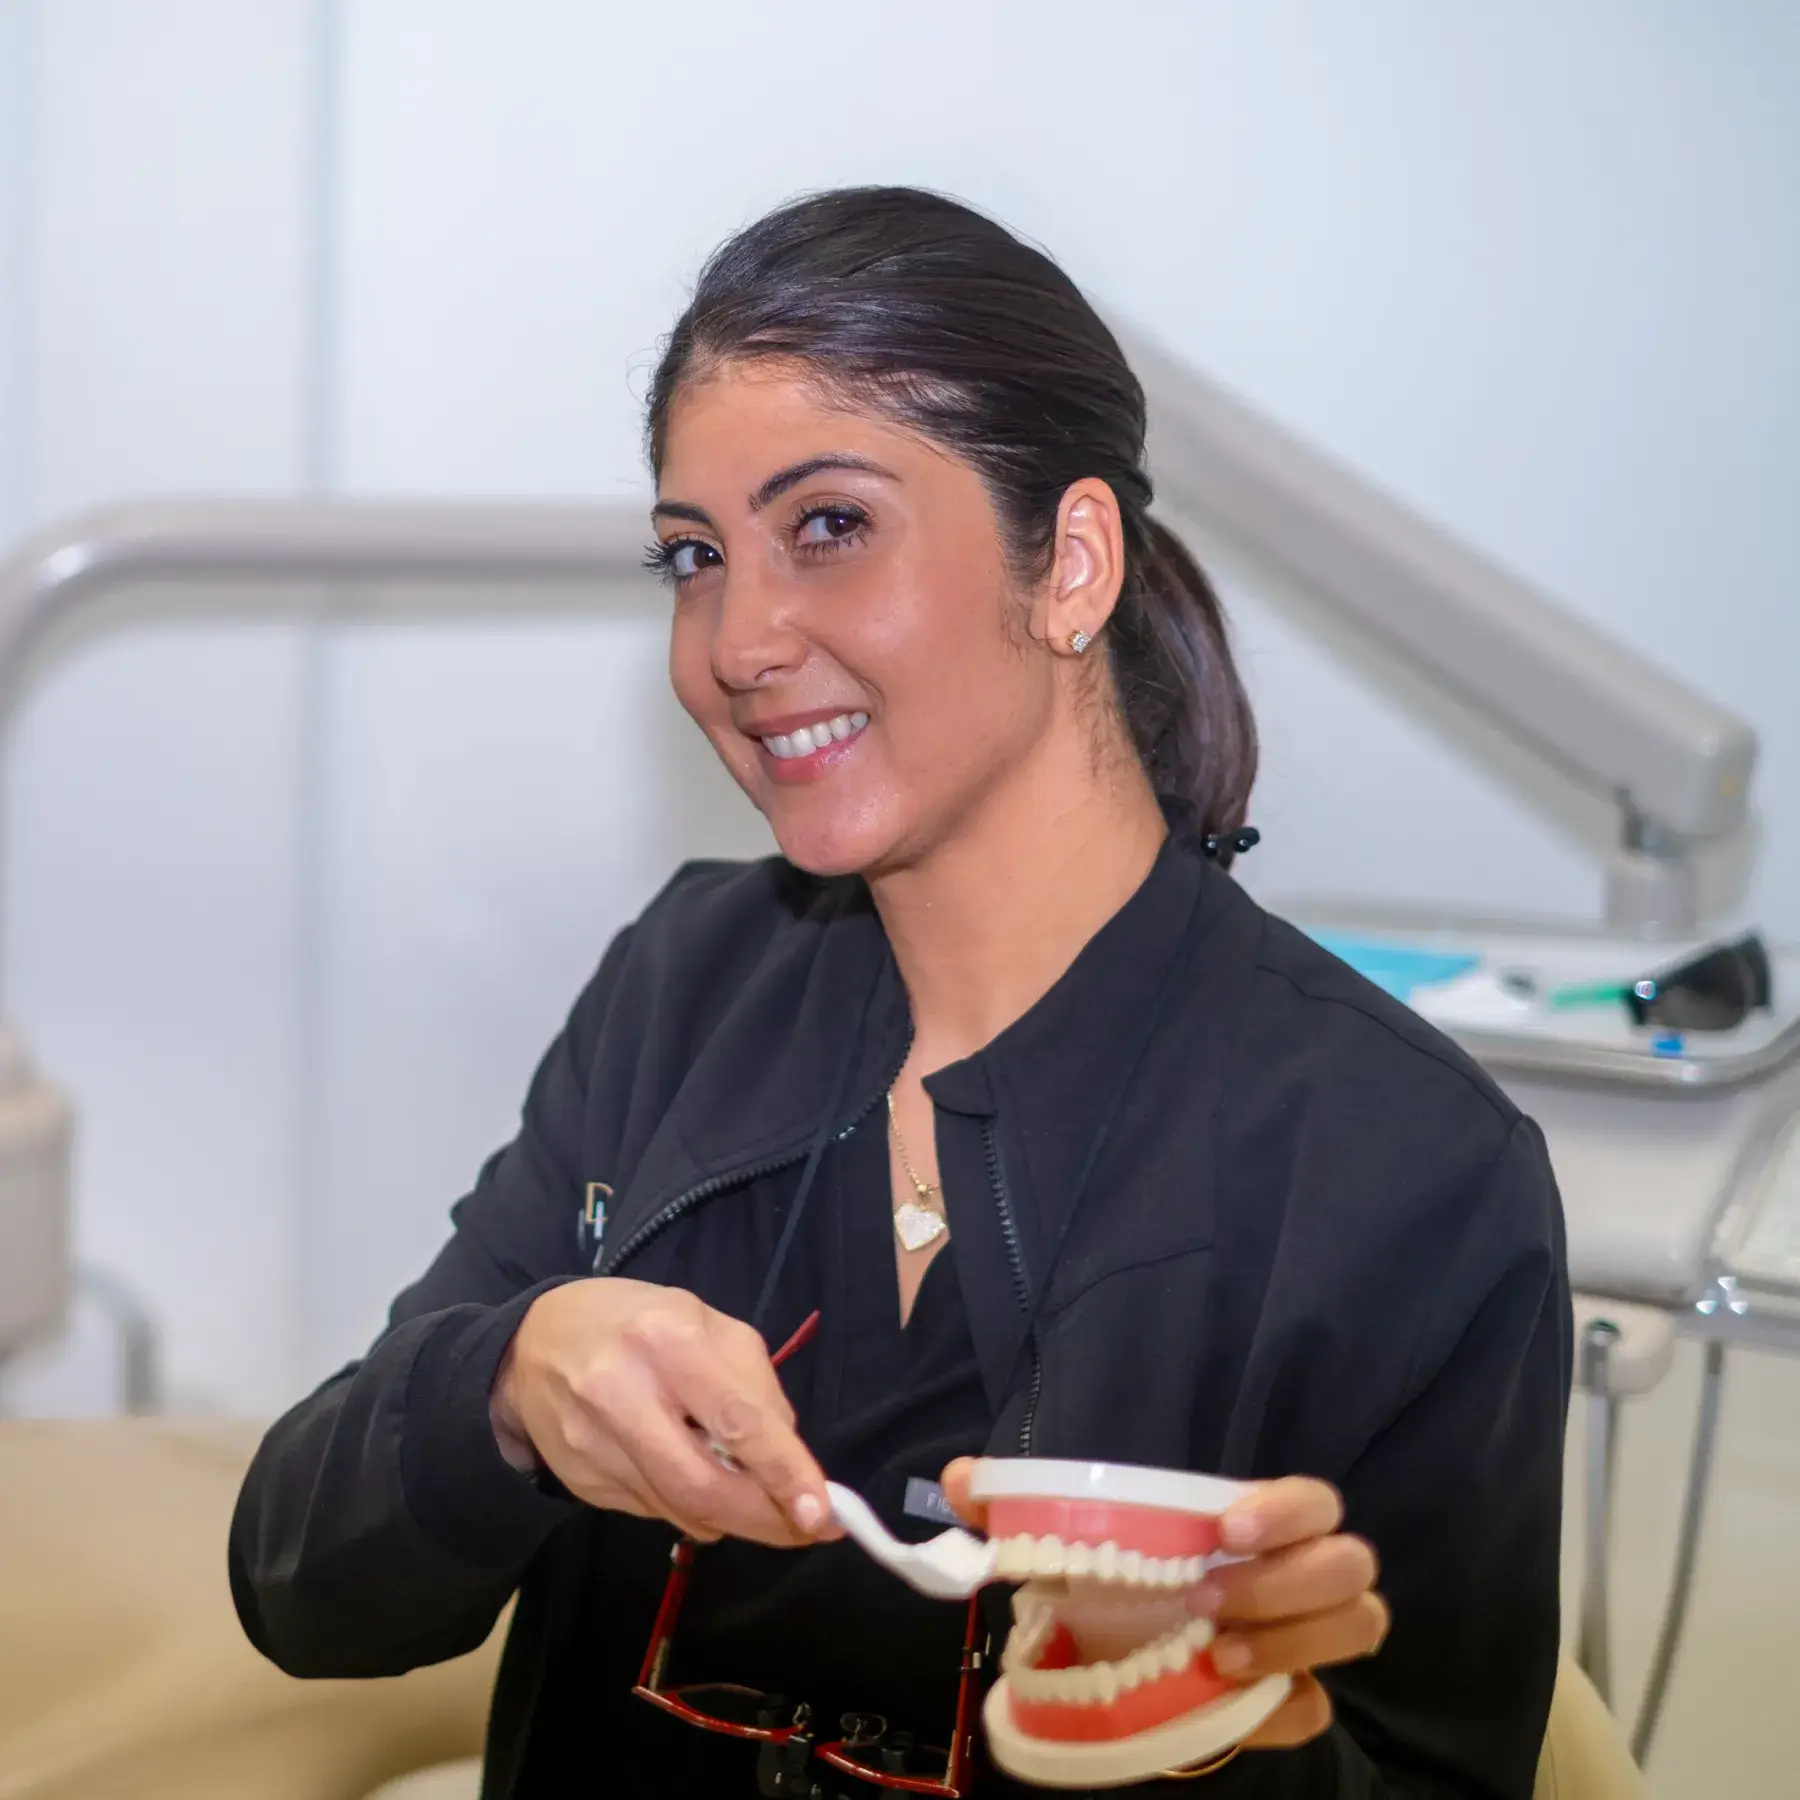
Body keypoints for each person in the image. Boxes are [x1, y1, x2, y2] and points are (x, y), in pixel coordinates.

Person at [230, 187, 1571, 1799]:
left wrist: (1209, 1742)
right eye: (692, 557)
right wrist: (507, 1388)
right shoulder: (690, 983)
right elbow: (299, 1582)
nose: (734, 640)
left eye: (830, 528)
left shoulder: (1411, 1173)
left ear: (1072, 562)